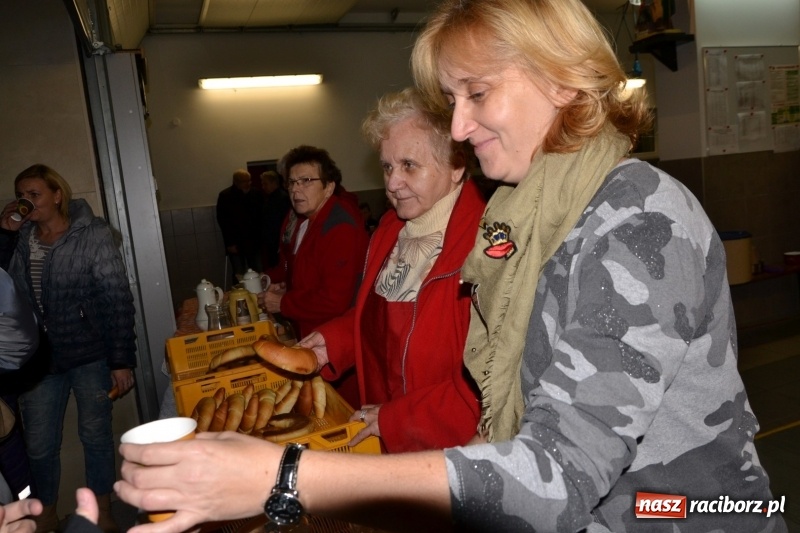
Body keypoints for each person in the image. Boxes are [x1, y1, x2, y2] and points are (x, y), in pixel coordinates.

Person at [114, 1, 785, 531]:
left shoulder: (637, 222)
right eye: (452, 101)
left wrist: (286, 476)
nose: (459, 127)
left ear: (560, 79)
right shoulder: (526, 216)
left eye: (477, 94)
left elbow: (559, 476)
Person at [297, 88, 485, 453]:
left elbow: (485, 387)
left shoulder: (484, 244)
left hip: (445, 451)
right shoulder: (389, 230)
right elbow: (382, 322)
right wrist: (334, 342)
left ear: (456, 165)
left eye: (409, 165)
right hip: (382, 428)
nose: (393, 183)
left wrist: (396, 419)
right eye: (387, 167)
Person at [0, 164, 137, 533]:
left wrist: (121, 360)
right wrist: (4, 234)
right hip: (40, 360)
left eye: (34, 194)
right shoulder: (20, 237)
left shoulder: (92, 233)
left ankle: (102, 511)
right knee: (39, 445)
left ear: (57, 195)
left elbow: (116, 297)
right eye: (21, 195)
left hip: (90, 353)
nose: (26, 202)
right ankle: (44, 515)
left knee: (95, 435)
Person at [260, 146, 369, 405]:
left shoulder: (340, 227)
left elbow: (334, 300)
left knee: (338, 408)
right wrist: (285, 285)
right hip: (311, 329)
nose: (296, 190)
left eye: (306, 180)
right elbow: (303, 269)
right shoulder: (304, 218)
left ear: (329, 187)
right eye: (292, 182)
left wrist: (283, 303)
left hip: (335, 344)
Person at [216, 169, 264, 286]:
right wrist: (229, 243)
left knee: (258, 271)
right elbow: (223, 222)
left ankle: (259, 291)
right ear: (236, 182)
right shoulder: (226, 196)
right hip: (236, 242)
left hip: (254, 240)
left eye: (249, 181)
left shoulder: (256, 193)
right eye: (244, 181)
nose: (248, 184)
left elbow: (261, 217)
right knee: (239, 273)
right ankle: (240, 293)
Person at [259, 171, 291, 270]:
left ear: (274, 183)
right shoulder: (270, 197)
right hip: (271, 240)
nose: (263, 187)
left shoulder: (282, 198)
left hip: (278, 240)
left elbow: (284, 221)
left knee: (278, 266)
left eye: (265, 184)